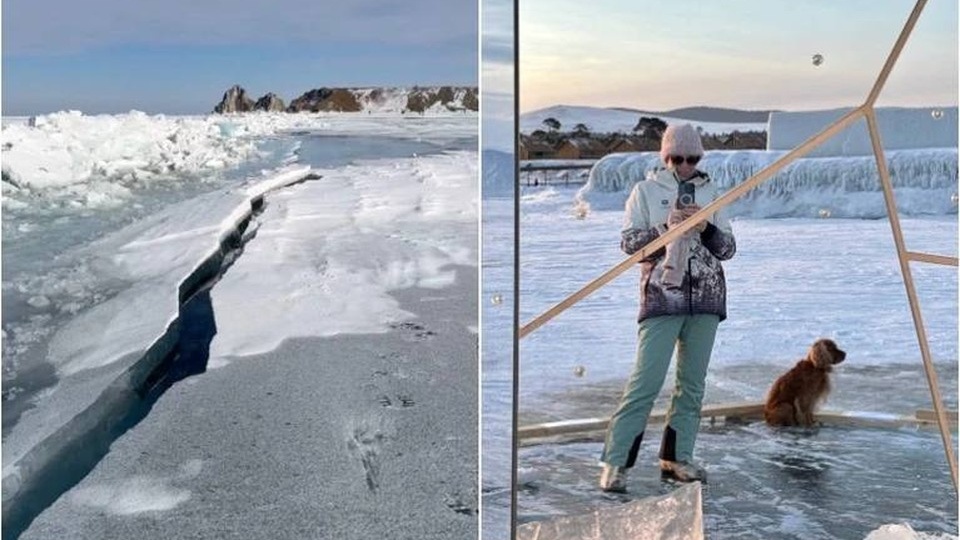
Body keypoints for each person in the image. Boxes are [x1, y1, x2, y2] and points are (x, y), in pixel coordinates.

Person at [599, 123, 736, 492]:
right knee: (645, 382)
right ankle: (616, 463)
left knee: (692, 385)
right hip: (663, 298)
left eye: (692, 158)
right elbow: (629, 244)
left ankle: (678, 457)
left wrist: (705, 226)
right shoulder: (645, 191)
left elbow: (727, 250)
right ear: (666, 157)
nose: (685, 166)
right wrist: (665, 230)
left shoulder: (712, 191)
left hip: (706, 298)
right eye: (678, 158)